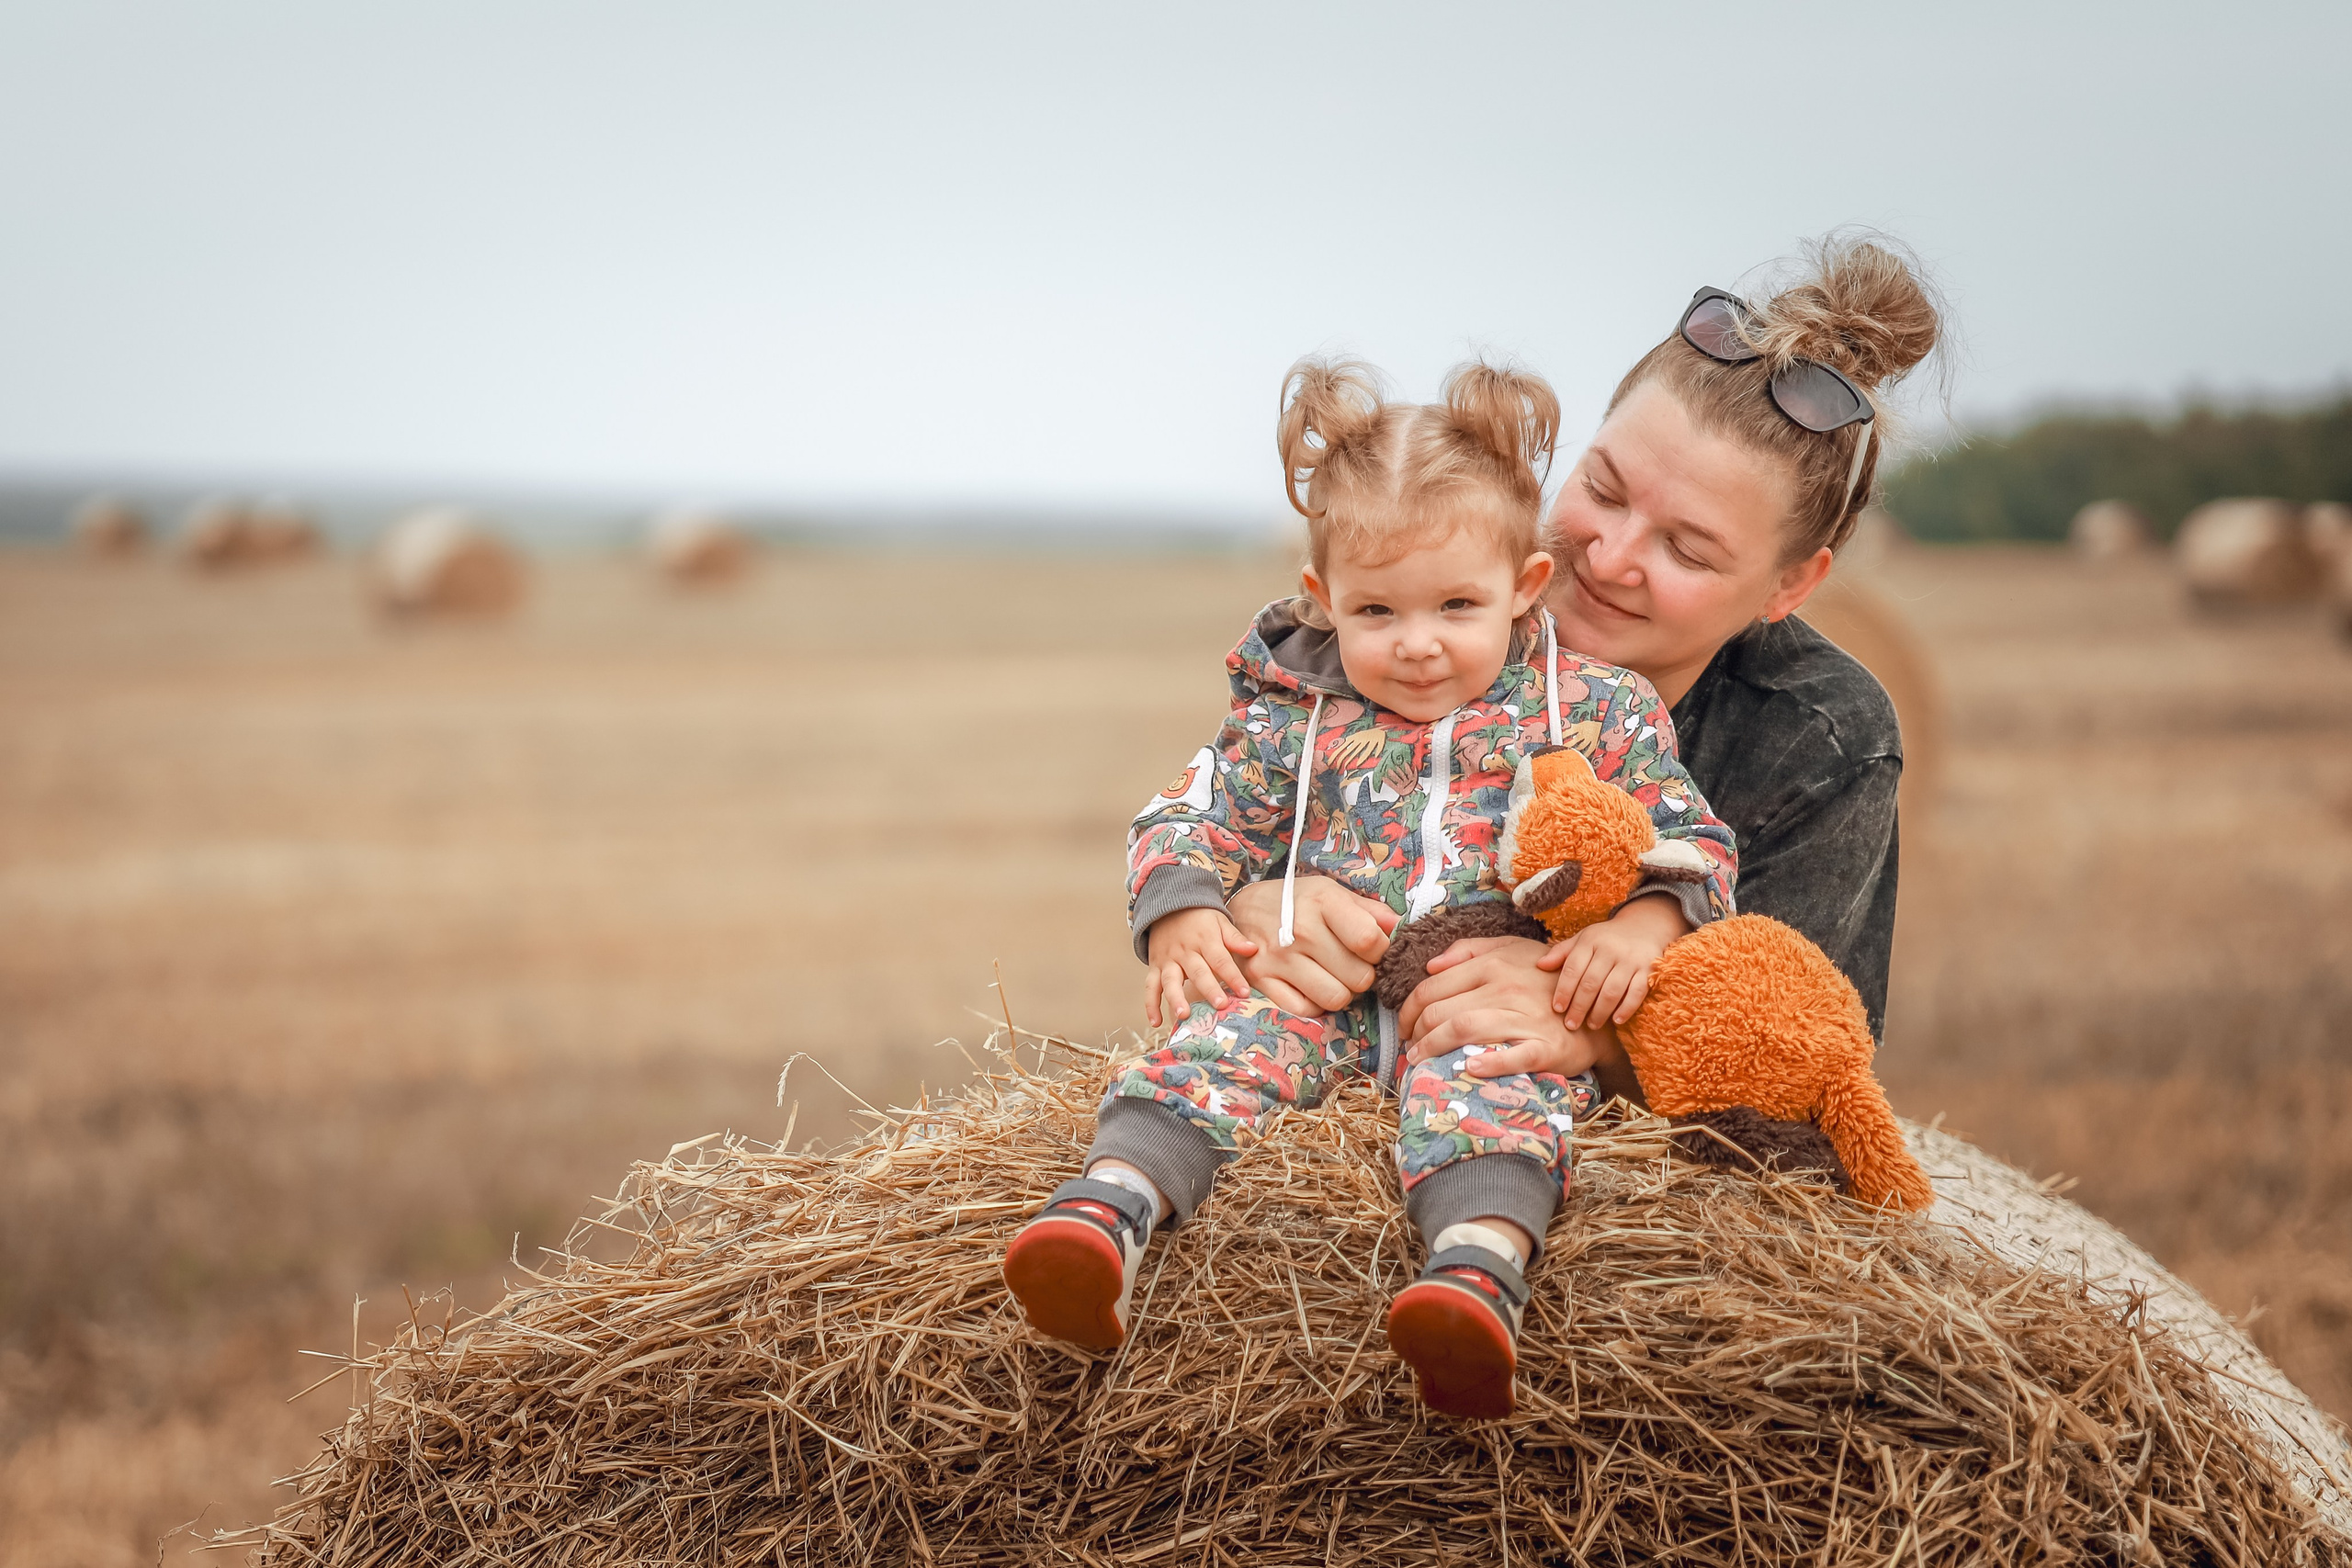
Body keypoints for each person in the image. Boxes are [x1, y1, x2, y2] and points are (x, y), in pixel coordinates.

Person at [1001, 357, 1736, 1420]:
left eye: (1456, 604)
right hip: (1322, 1001)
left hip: (1475, 1007)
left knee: (1497, 1095)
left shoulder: (1595, 711)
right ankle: (1102, 1216)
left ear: (1525, 589)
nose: (1418, 641)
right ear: (1323, 600)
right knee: (1216, 1051)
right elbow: (1184, 815)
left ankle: (1473, 1276)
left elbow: (1688, 833)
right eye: (1377, 609)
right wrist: (1186, 910)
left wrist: (1649, 920)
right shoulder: (1287, 718)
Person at [1227, 233, 1939, 1114]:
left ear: (1791, 584)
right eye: (1602, 488)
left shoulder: (1824, 737)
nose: (1608, 556)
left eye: (1686, 547)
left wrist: (1597, 1031)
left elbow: (1810, 1060)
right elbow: (1230, 813)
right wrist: (1252, 907)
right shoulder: (1415, 629)